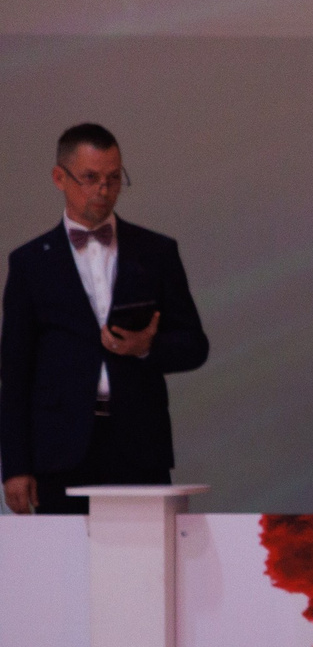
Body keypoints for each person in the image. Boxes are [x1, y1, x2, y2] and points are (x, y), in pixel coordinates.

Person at [3, 124, 210, 515]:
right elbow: (14, 372)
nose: (103, 190)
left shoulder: (155, 252)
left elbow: (195, 345)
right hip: (60, 450)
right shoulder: (30, 263)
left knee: (147, 566)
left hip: (138, 444)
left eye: (114, 178)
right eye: (91, 178)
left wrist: (148, 347)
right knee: (66, 569)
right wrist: (14, 466)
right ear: (59, 177)